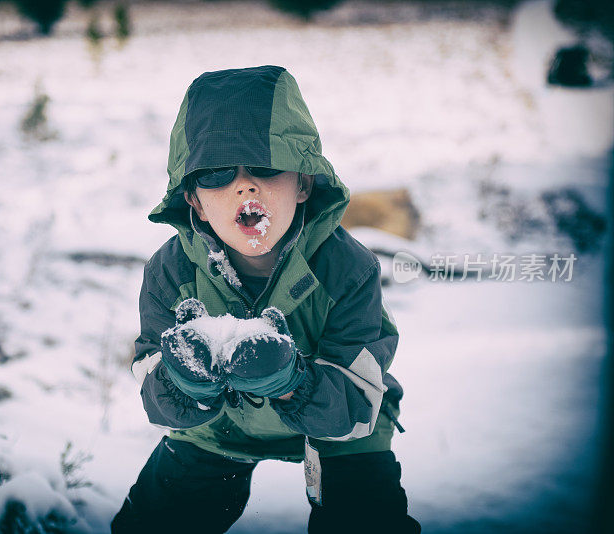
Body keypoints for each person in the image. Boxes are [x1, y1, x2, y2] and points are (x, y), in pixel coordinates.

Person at [111, 65, 420, 533]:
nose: (244, 186)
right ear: (193, 198)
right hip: (217, 427)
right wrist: (183, 384)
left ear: (303, 183)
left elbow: (356, 403)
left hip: (340, 428)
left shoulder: (349, 270)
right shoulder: (171, 272)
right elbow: (156, 398)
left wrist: (292, 381)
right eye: (216, 173)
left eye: (266, 166)